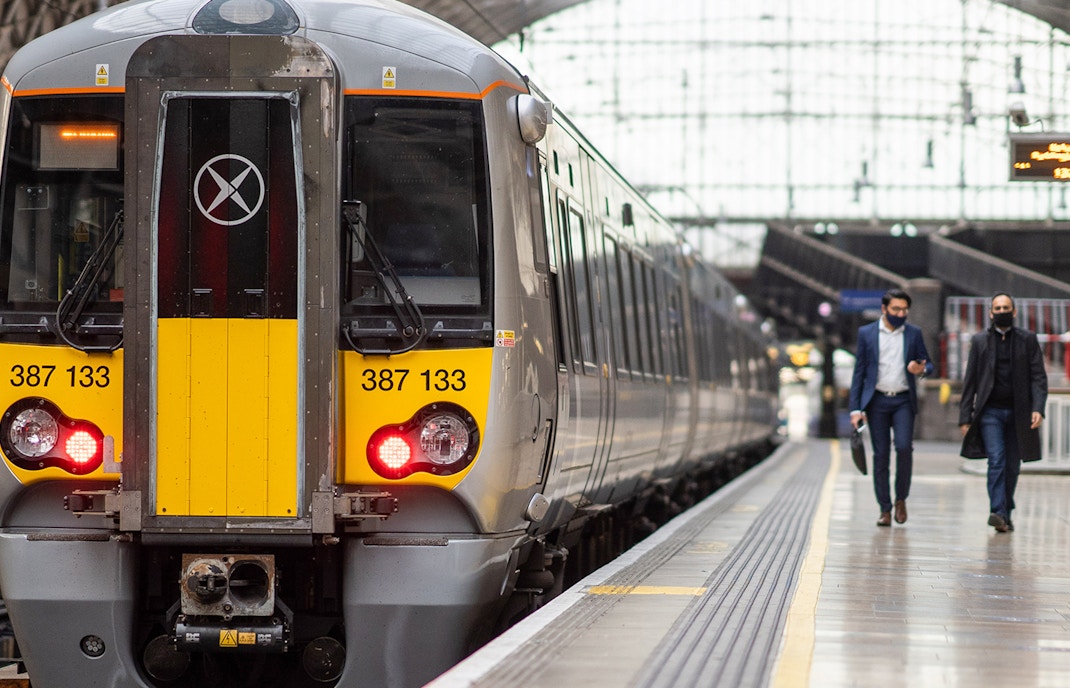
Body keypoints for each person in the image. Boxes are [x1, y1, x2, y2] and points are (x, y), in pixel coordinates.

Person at [958, 292, 1047, 533]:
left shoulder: (1027, 340)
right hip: (990, 413)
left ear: (1014, 312)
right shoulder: (979, 342)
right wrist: (965, 417)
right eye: (997, 308)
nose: (1001, 311)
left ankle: (1006, 512)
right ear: (990, 313)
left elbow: (1038, 377)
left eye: (1006, 307)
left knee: (1012, 465)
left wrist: (1038, 407)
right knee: (996, 460)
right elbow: (971, 381)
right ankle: (997, 510)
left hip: (1019, 413)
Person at [848, 288, 934, 527]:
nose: (901, 313)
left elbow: (929, 364)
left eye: (905, 310)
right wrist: (855, 409)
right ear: (884, 309)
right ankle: (884, 509)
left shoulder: (914, 334)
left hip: (904, 401)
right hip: (876, 402)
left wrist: (922, 370)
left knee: (905, 448)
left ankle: (901, 500)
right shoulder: (866, 334)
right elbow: (859, 373)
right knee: (881, 455)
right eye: (896, 309)